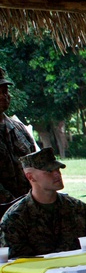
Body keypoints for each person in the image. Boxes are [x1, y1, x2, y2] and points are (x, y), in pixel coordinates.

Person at [0, 148, 86, 258]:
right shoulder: (16, 218)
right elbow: (15, 263)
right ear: (30, 177)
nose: (57, 174)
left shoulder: (78, 208)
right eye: (49, 171)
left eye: (58, 169)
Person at [0, 68, 37, 212]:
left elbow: (37, 168)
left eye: (5, 91)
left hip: (28, 210)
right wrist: (14, 204)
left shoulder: (19, 130)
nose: (4, 96)